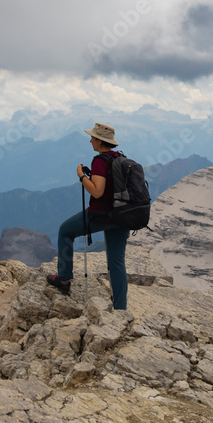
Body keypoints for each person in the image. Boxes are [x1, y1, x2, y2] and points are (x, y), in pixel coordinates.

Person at [47, 122, 130, 310]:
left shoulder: (101, 161)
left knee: (65, 231)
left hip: (101, 214)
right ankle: (120, 309)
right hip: (122, 216)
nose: (90, 140)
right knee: (117, 263)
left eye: (93, 137)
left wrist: (82, 176)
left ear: (100, 141)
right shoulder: (120, 158)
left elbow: (98, 192)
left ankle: (64, 277)